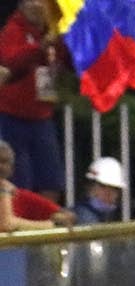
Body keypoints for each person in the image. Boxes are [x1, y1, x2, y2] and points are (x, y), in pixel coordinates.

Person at [0, 0, 63, 201]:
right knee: (19, 183)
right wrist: (39, 48)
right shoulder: (12, 30)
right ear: (21, 5)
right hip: (12, 116)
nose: (38, 5)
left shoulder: (54, 32)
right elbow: (11, 63)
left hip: (42, 117)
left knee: (51, 181)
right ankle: (18, 226)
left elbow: (68, 63)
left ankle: (48, 226)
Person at [0, 140, 73, 230]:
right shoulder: (7, 191)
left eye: (4, 161)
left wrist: (60, 220)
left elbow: (67, 216)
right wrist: (50, 225)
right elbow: (5, 225)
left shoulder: (21, 196)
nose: (1, 166)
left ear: (12, 169)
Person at [73, 157, 124, 225]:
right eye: (103, 186)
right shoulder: (81, 216)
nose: (108, 193)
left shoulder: (115, 216)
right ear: (89, 187)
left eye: (114, 188)